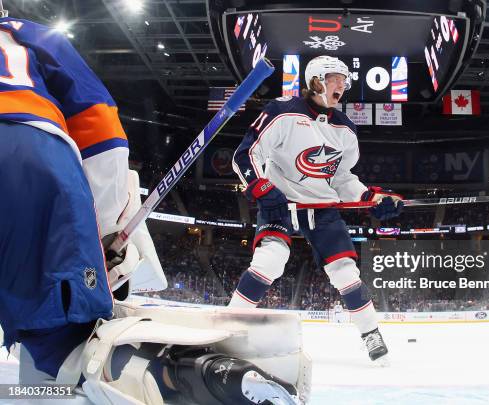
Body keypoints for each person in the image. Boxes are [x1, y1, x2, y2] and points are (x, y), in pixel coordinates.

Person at [0, 11, 300, 404]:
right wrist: (104, 232)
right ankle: (186, 377)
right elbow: (102, 131)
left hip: (24, 154)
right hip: (26, 153)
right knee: (57, 337)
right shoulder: (25, 34)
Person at [230, 55, 403, 362]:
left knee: (345, 272)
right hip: (281, 204)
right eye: (336, 78)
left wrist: (371, 198)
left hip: (322, 210)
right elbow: (247, 154)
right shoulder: (282, 111)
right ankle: (230, 324)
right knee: (270, 260)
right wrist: (261, 187)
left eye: (344, 81)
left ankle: (371, 333)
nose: (343, 85)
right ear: (317, 80)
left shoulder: (346, 130)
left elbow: (342, 178)